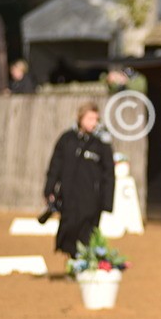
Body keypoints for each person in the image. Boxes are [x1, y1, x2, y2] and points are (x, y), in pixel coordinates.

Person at [44, 102, 115, 256]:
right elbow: (55, 165)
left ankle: (81, 264)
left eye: (96, 119)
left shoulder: (101, 144)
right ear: (80, 118)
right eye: (90, 118)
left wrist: (107, 202)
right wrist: (49, 190)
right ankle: (73, 261)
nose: (93, 123)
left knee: (87, 233)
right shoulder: (67, 139)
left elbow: (109, 173)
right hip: (69, 196)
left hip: (91, 200)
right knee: (68, 230)